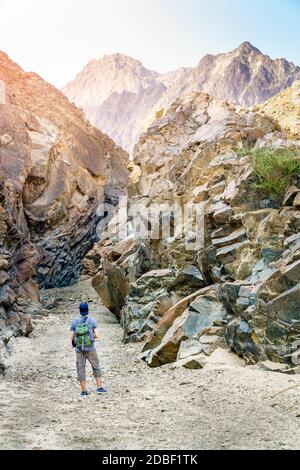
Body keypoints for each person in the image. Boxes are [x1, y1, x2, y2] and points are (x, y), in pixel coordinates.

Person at [70, 302, 107, 397]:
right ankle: (99, 388)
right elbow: (98, 336)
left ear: (80, 310)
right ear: (87, 310)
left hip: (79, 350)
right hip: (91, 348)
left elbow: (71, 337)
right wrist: (91, 338)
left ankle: (84, 391)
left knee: (80, 369)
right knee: (96, 366)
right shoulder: (92, 321)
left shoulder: (74, 322)